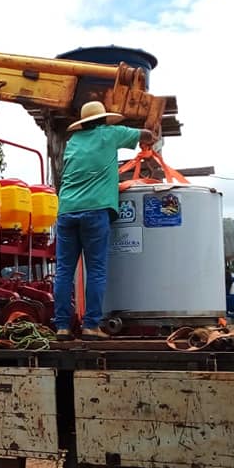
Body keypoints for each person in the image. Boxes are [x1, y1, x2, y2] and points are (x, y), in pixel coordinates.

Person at [54, 100, 155, 340]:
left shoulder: (73, 142)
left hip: (66, 211)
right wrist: (152, 135)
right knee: (96, 270)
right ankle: (90, 326)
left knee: (63, 271)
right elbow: (147, 135)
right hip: (95, 210)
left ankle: (62, 327)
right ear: (103, 119)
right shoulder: (110, 134)